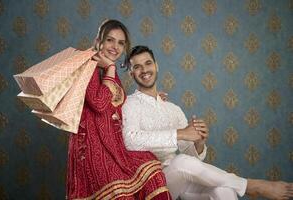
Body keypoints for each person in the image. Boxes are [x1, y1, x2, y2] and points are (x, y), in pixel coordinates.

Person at [122, 45, 293, 200]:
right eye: (137, 67)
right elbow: (131, 141)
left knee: (223, 189)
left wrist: (198, 143)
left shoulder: (174, 109)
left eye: (148, 63)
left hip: (180, 179)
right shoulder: (129, 104)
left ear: (156, 65)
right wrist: (181, 133)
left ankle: (238, 186)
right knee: (181, 162)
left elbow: (191, 159)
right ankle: (251, 186)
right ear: (131, 73)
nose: (144, 69)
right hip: (151, 182)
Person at [66, 21, 171, 200]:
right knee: (119, 194)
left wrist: (149, 96)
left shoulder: (109, 70)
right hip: (92, 147)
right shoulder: (88, 65)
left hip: (114, 146)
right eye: (110, 40)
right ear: (98, 40)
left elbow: (114, 106)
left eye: (121, 43)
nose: (115, 47)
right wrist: (111, 68)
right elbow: (99, 103)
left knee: (152, 170)